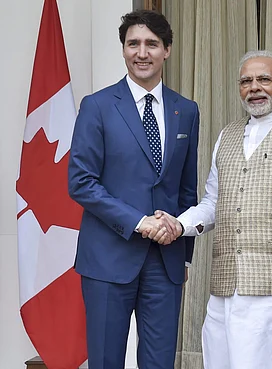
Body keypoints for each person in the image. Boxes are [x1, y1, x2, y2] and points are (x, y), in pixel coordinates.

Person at [150, 50, 272, 369]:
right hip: (226, 291)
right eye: (246, 81)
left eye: (263, 79)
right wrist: (178, 225)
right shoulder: (226, 137)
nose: (254, 87)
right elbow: (213, 204)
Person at [68, 10, 199, 369]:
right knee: (107, 361)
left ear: (167, 50)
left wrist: (184, 254)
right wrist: (139, 221)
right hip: (108, 258)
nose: (142, 53)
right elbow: (81, 182)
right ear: (124, 50)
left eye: (152, 44)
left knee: (159, 364)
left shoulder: (186, 111)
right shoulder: (96, 107)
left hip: (166, 262)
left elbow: (187, 190)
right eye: (133, 44)